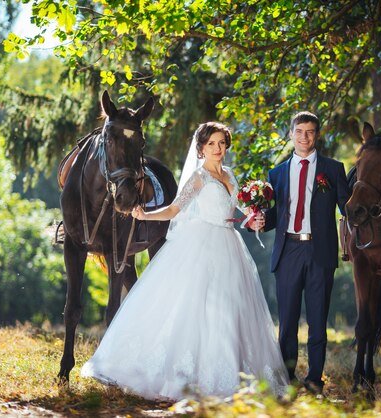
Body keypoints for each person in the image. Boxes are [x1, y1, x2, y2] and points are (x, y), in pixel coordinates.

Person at [81, 122, 289, 400]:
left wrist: (256, 216)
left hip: (231, 246)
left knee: (232, 309)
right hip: (202, 245)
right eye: (211, 144)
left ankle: (232, 374)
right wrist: (147, 215)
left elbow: (242, 209)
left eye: (222, 143)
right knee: (197, 310)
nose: (217, 149)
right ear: (201, 148)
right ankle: (191, 376)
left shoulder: (230, 174)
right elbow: (175, 209)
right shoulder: (199, 178)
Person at [250, 112, 350, 394]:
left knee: (318, 319)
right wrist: (258, 221)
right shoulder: (277, 173)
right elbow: (274, 217)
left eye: (310, 131)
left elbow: (348, 210)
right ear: (291, 134)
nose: (304, 136)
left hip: (321, 252)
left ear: (317, 135)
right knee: (288, 319)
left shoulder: (333, 169)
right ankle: (287, 377)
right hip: (288, 251)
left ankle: (315, 378)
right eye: (299, 131)